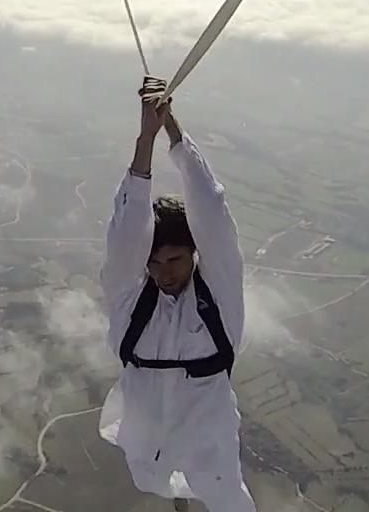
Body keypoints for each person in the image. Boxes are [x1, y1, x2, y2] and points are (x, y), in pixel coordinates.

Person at [98, 77, 255, 512]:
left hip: (211, 449)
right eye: (154, 263)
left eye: (174, 260)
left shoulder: (218, 300)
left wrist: (172, 132)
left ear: (194, 254)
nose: (163, 274)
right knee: (160, 485)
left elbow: (213, 213)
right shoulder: (130, 301)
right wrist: (144, 138)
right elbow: (127, 231)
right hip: (146, 445)